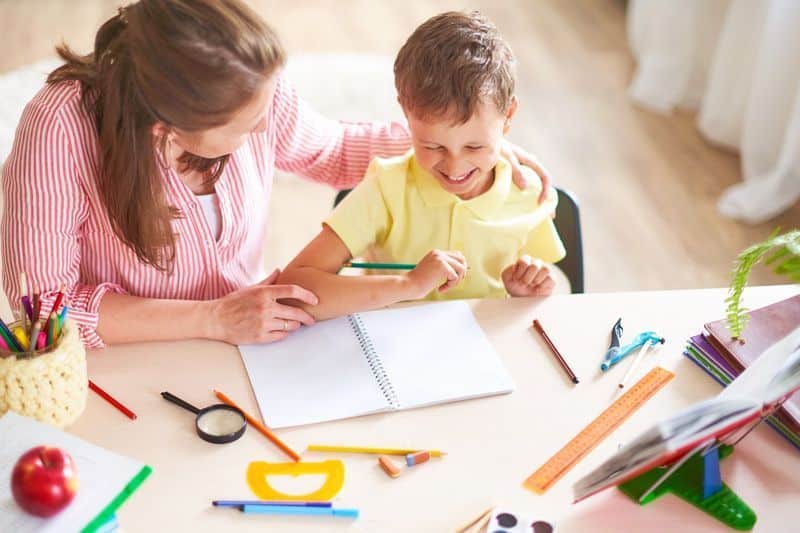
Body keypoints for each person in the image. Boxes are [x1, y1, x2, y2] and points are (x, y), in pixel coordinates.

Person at [1, 0, 553, 348]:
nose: (268, 125)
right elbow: (44, 308)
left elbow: (329, 149)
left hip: (254, 336)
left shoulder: (250, 85)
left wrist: (459, 148)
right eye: (246, 127)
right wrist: (213, 319)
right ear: (166, 129)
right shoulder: (59, 132)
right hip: (132, 359)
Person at [278, 11, 565, 321]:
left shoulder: (527, 193)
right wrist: (407, 285)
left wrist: (525, 292)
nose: (455, 167)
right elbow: (294, 287)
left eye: (475, 146)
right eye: (433, 146)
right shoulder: (386, 189)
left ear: (509, 116)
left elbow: (560, 287)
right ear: (405, 109)